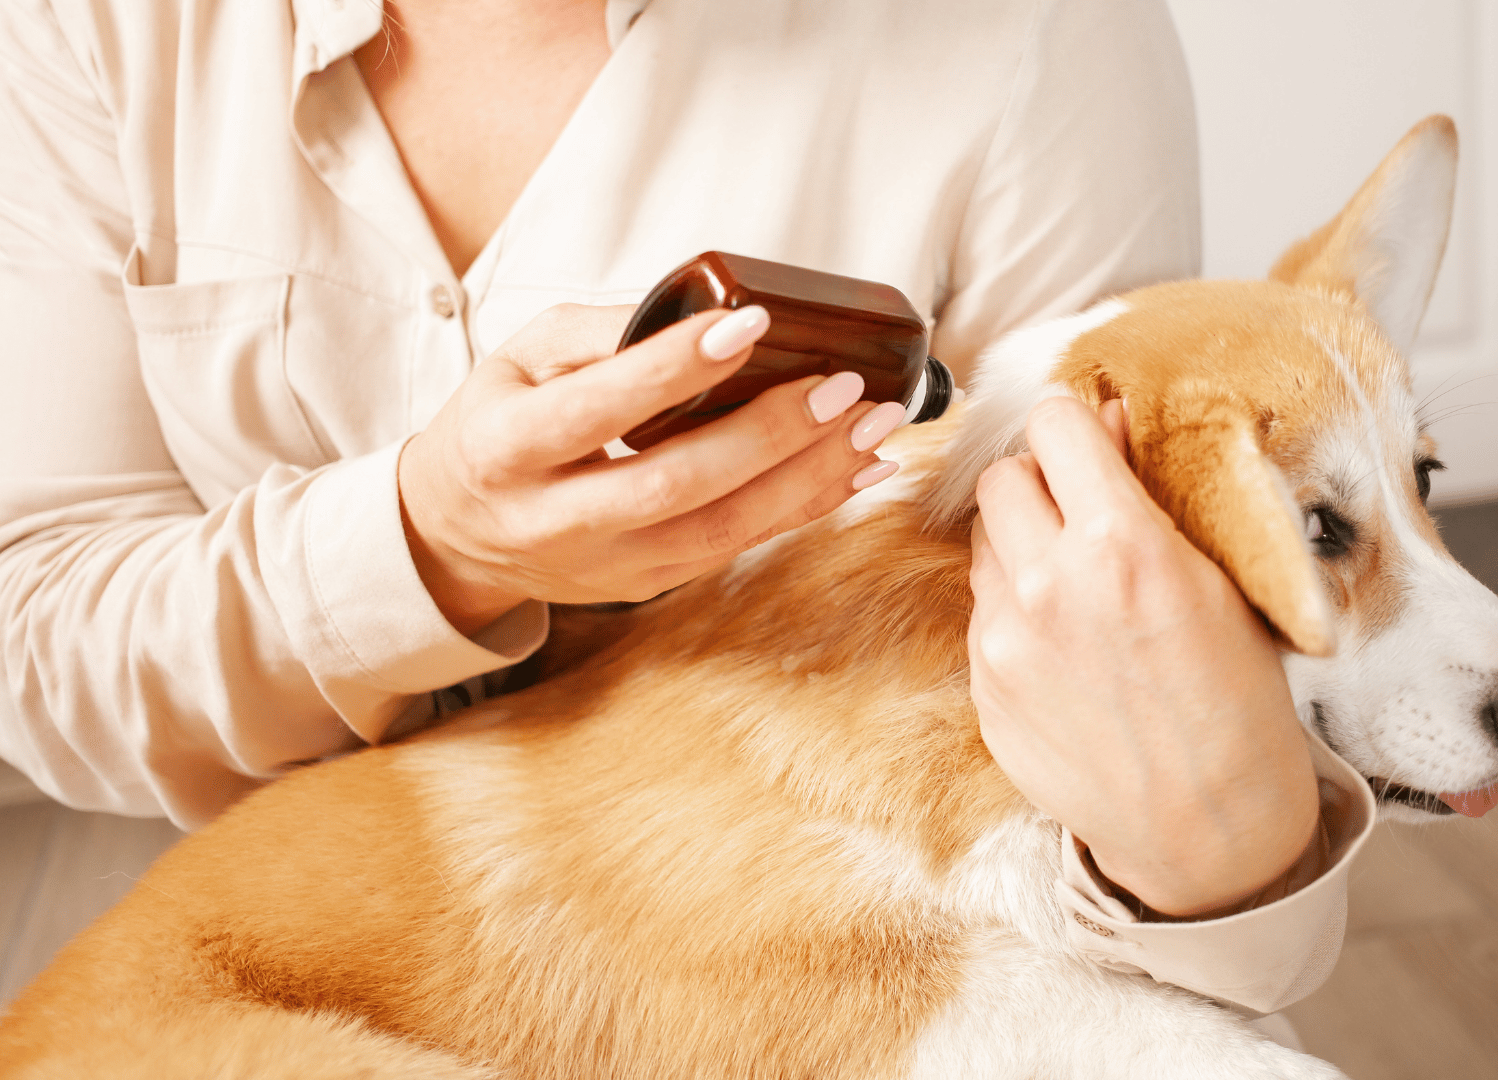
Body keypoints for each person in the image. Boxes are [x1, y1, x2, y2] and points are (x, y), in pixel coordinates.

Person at [0, 0, 1372, 1022]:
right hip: (322, 962)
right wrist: (427, 544)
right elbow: (40, 634)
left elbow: (1145, 693)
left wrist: (1233, 862)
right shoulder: (92, 29)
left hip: (858, 969)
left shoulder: (1034, 38)